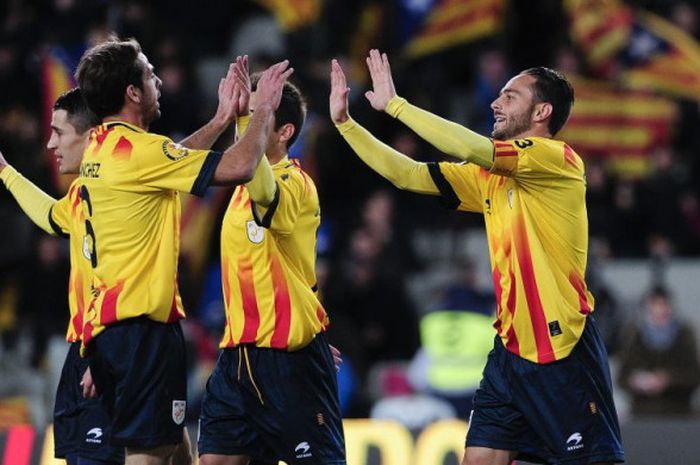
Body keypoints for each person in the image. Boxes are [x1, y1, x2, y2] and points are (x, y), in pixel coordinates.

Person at [329, 50, 624, 465]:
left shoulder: (558, 160)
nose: (494, 103)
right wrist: (346, 126)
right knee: (480, 458)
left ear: (542, 111)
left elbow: (473, 147)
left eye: (510, 96)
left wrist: (397, 106)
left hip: (562, 348)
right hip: (509, 351)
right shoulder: (490, 177)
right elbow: (408, 174)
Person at [74, 38, 292, 465]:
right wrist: (261, 109)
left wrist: (220, 120)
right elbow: (240, 167)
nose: (157, 79)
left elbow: (169, 162)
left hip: (119, 330)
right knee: (149, 456)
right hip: (141, 333)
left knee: (178, 453)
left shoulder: (101, 148)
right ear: (132, 93)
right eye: (148, 73)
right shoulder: (141, 152)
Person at [197, 56, 346, 465]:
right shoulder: (238, 189)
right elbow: (297, 269)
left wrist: (250, 115)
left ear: (285, 131)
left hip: (290, 362)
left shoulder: (296, 184)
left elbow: (264, 191)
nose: (248, 123)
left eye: (262, 116)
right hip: (237, 357)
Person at [0, 88, 123, 465]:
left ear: (88, 137)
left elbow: (121, 276)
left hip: (109, 343)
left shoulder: (117, 188)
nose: (50, 143)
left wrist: (100, 354)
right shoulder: (84, 191)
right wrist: (5, 172)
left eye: (58, 132)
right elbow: (53, 216)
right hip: (83, 341)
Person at [618, 285, 700, 416]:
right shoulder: (634, 335)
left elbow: (694, 375)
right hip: (642, 414)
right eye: (655, 305)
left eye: (663, 305)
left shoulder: (685, 334)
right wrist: (637, 381)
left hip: (680, 413)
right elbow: (621, 378)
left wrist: (668, 379)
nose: (659, 310)